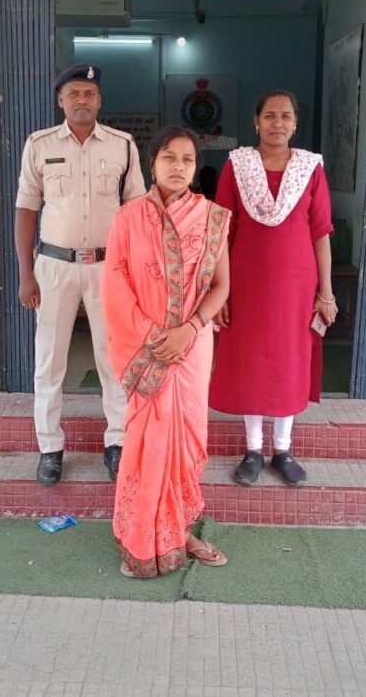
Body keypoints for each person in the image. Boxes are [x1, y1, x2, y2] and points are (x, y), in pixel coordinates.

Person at [103, 126, 231, 578]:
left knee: (187, 442)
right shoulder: (127, 218)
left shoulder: (212, 218)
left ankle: (182, 532)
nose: (178, 166)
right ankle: (141, 537)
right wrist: (157, 338)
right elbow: (115, 285)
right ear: (151, 163)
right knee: (148, 444)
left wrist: (188, 331)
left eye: (187, 159)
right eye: (169, 157)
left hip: (192, 348)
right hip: (148, 348)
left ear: (196, 168)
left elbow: (221, 286)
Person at [15, 63, 146, 486]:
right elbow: (26, 210)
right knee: (49, 361)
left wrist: (135, 274)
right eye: (73, 93)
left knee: (113, 359)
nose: (82, 100)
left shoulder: (123, 145)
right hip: (54, 267)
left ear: (99, 100)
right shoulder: (39, 145)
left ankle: (117, 443)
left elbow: (138, 212)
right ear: (61, 100)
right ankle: (50, 448)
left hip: (108, 267)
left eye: (89, 93)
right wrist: (25, 274)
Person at [208, 89, 337, 487]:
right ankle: (252, 450)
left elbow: (321, 232)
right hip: (245, 283)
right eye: (269, 116)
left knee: (288, 361)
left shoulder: (310, 168)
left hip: (297, 287)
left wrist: (326, 293)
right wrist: (219, 290)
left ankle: (283, 449)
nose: (277, 123)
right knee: (250, 360)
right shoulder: (237, 165)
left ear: (295, 124)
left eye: (285, 116)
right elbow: (221, 231)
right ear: (256, 121)